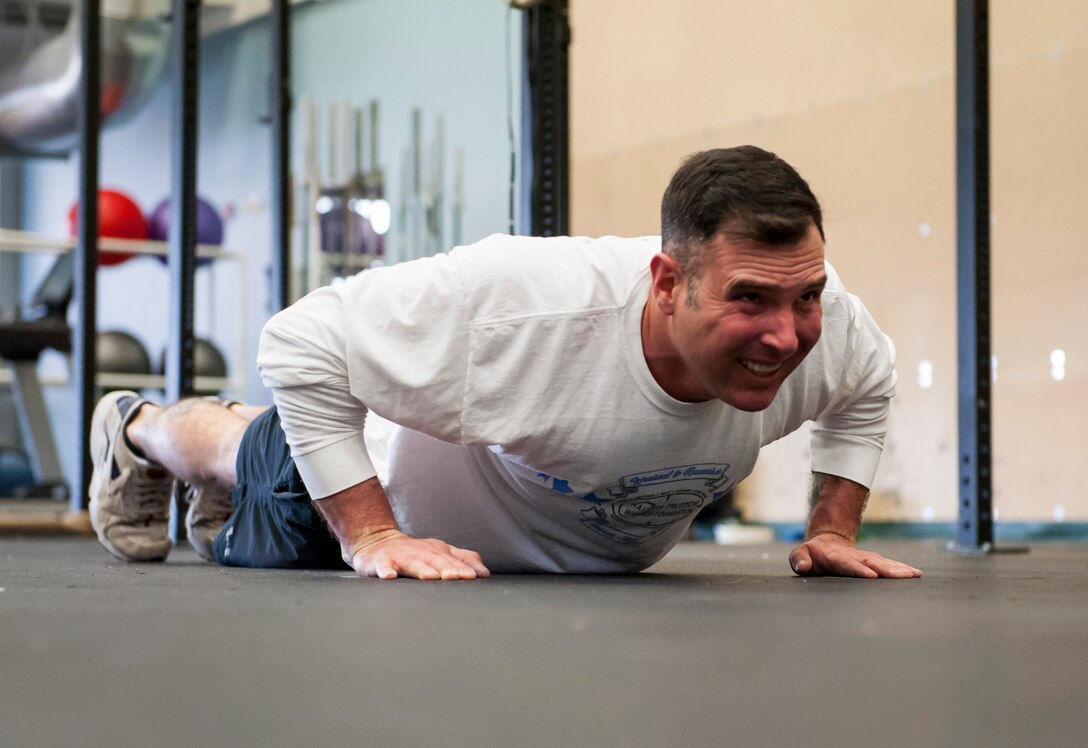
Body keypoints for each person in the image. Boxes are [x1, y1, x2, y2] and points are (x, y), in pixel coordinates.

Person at [88, 145, 923, 581]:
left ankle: (211, 489)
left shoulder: (822, 325)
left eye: (805, 298)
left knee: (228, 507)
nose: (786, 335)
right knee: (248, 451)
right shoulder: (526, 303)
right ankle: (136, 428)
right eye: (751, 301)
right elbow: (298, 342)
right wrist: (372, 533)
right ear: (669, 284)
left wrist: (831, 529)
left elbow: (868, 382)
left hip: (523, 562)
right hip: (364, 504)